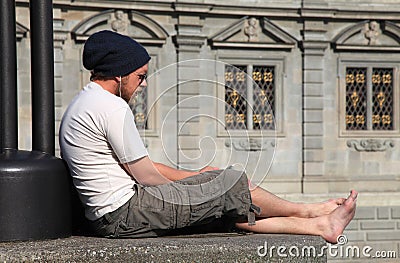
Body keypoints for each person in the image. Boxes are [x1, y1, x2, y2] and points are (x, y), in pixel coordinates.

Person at [59, 30, 357, 243]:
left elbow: (139, 167)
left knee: (220, 197)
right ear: (120, 73)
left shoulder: (85, 102)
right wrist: (197, 183)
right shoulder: (111, 108)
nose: (144, 84)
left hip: (113, 214)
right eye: (140, 75)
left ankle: (321, 226)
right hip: (125, 214)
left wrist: (198, 177)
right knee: (229, 183)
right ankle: (309, 211)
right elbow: (146, 175)